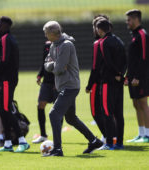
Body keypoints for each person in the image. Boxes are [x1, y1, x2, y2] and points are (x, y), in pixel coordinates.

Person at [43, 21, 103, 156]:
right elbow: (48, 65)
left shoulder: (66, 45)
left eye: (46, 33)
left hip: (70, 86)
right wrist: (55, 65)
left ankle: (57, 149)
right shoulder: (53, 45)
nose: (45, 35)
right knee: (70, 118)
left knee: (53, 114)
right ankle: (94, 141)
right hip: (62, 86)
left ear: (53, 33)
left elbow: (58, 69)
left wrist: (54, 66)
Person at [0, 16, 30, 153]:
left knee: (6, 110)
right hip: (7, 79)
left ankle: (22, 141)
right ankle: (8, 143)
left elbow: (3, 62)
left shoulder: (5, 39)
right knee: (2, 110)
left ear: (6, 26)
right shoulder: (9, 39)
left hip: (7, 80)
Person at [95, 19, 127, 150]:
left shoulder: (103, 42)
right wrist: (121, 74)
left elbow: (107, 62)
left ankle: (109, 143)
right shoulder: (119, 41)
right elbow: (126, 60)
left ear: (99, 30)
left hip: (108, 81)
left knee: (107, 112)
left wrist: (116, 73)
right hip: (119, 82)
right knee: (119, 114)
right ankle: (119, 143)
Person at [125, 9, 149, 143]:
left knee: (143, 103)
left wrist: (138, 77)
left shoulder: (142, 34)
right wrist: (128, 76)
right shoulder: (134, 35)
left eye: (129, 19)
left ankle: (148, 134)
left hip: (142, 77)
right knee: (135, 103)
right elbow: (132, 60)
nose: (127, 22)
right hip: (133, 77)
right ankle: (141, 134)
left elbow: (144, 58)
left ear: (136, 19)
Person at [86, 15, 110, 143]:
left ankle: (107, 137)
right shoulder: (113, 40)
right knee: (109, 110)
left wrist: (89, 85)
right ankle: (112, 136)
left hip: (98, 83)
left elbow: (95, 68)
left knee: (96, 112)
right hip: (109, 82)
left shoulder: (98, 43)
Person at [32, 40, 59, 144]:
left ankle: (57, 134)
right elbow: (44, 63)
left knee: (57, 109)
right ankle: (43, 135)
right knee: (40, 105)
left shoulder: (62, 45)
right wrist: (39, 75)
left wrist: (58, 81)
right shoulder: (46, 46)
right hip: (46, 83)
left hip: (57, 83)